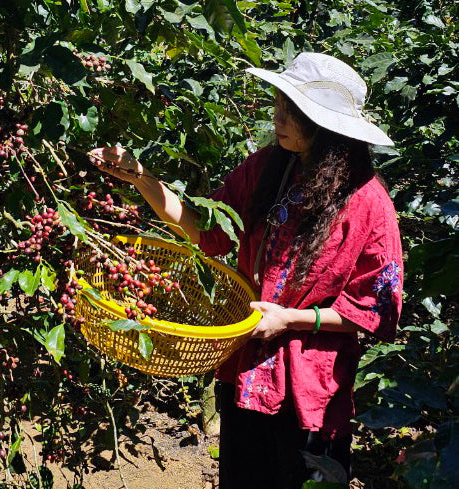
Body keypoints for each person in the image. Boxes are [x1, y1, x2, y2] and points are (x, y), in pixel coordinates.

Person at [90, 52, 403, 489]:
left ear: (326, 127)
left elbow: (377, 309)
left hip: (310, 391)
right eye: (279, 103)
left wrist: (288, 319)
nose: (277, 117)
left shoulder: (369, 204)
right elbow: (206, 231)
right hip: (245, 374)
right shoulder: (269, 167)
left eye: (291, 112)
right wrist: (141, 177)